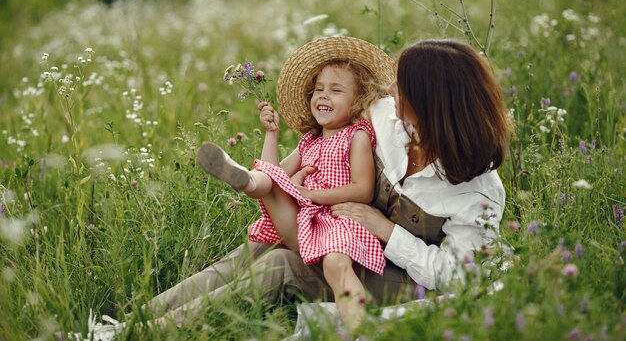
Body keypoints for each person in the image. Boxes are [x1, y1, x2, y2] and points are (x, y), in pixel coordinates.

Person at [76, 37, 511, 338]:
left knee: (281, 266)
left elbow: (460, 275)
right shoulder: (390, 121)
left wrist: (385, 229)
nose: (392, 90)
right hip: (349, 238)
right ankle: (130, 323)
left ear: (433, 102)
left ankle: (151, 336)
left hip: (400, 278)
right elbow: (345, 101)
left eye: (404, 86)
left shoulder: (478, 191)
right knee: (255, 251)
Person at [197, 37, 394, 328]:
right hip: (305, 221)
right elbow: (276, 172)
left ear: (359, 102)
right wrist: (271, 135)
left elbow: (362, 190)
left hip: (337, 222)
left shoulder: (357, 135)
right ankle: (246, 179)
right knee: (269, 177)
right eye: (319, 90)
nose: (324, 96)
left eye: (336, 90)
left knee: (336, 264)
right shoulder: (308, 142)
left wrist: (312, 193)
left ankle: (363, 329)